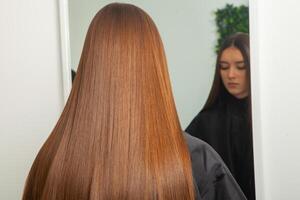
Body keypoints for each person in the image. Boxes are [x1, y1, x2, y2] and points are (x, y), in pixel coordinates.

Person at [22, 3, 246, 200]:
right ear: (155, 68)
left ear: (89, 69)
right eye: (224, 67)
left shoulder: (50, 160)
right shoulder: (197, 162)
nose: (231, 74)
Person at [186, 33, 255, 200]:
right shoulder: (205, 122)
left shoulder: (267, 121)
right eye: (224, 67)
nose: (231, 74)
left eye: (240, 66)